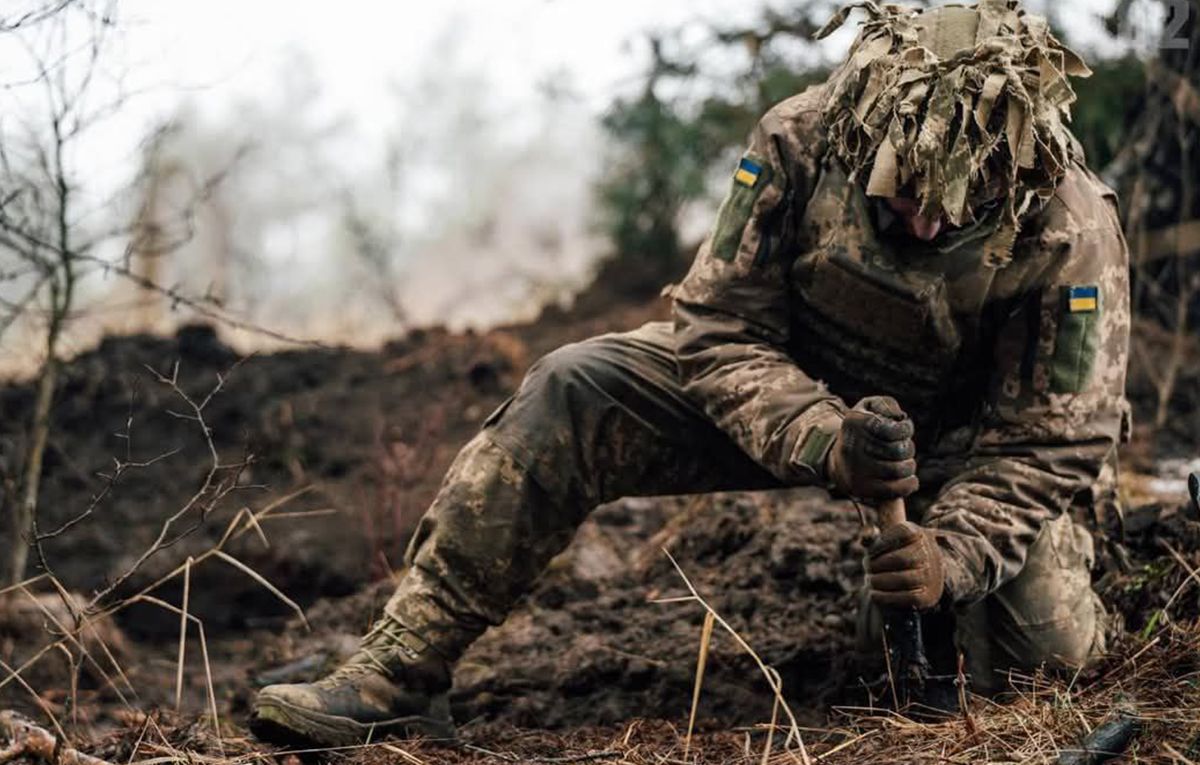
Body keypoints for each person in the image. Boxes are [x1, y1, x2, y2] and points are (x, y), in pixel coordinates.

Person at [251, 0, 1130, 747]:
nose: (927, 227)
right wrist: (825, 438)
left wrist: (954, 556)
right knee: (575, 384)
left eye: (954, 209)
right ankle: (401, 667)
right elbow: (717, 327)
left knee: (1039, 657)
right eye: (902, 198)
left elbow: (1051, 440)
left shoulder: (1066, 226)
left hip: (962, 454)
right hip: (790, 389)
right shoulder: (801, 141)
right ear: (863, 138)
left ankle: (922, 604)